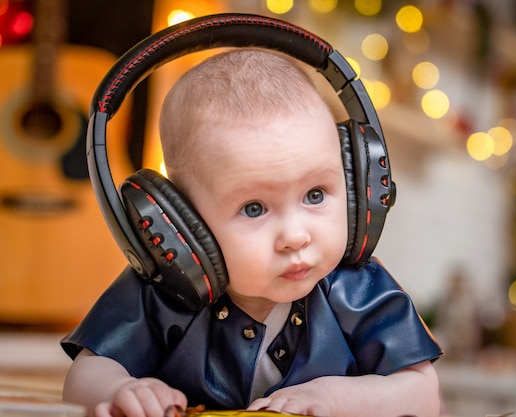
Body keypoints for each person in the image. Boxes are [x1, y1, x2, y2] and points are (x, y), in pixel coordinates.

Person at [61, 48, 443, 417]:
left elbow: (423, 394)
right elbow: (85, 374)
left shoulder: (359, 290)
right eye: (254, 208)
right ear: (179, 222)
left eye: (315, 195)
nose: (295, 236)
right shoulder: (162, 291)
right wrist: (120, 391)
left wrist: (335, 400)